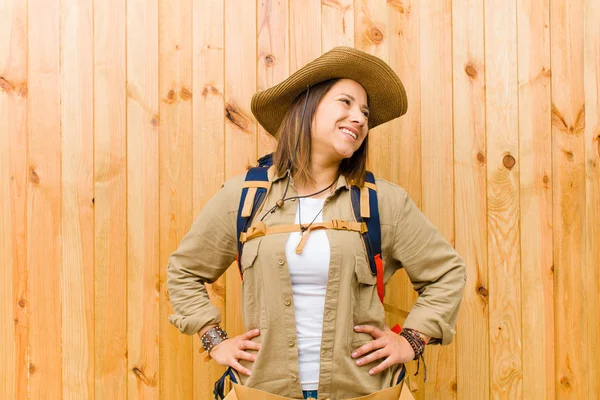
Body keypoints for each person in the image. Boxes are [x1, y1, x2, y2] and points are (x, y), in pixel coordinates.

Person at [166, 46, 466, 400]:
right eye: (346, 103)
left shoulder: (384, 201)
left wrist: (411, 340)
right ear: (307, 106)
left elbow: (447, 272)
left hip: (365, 392)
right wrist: (213, 339)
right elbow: (183, 270)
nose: (359, 118)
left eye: (365, 112)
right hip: (264, 392)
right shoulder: (244, 197)